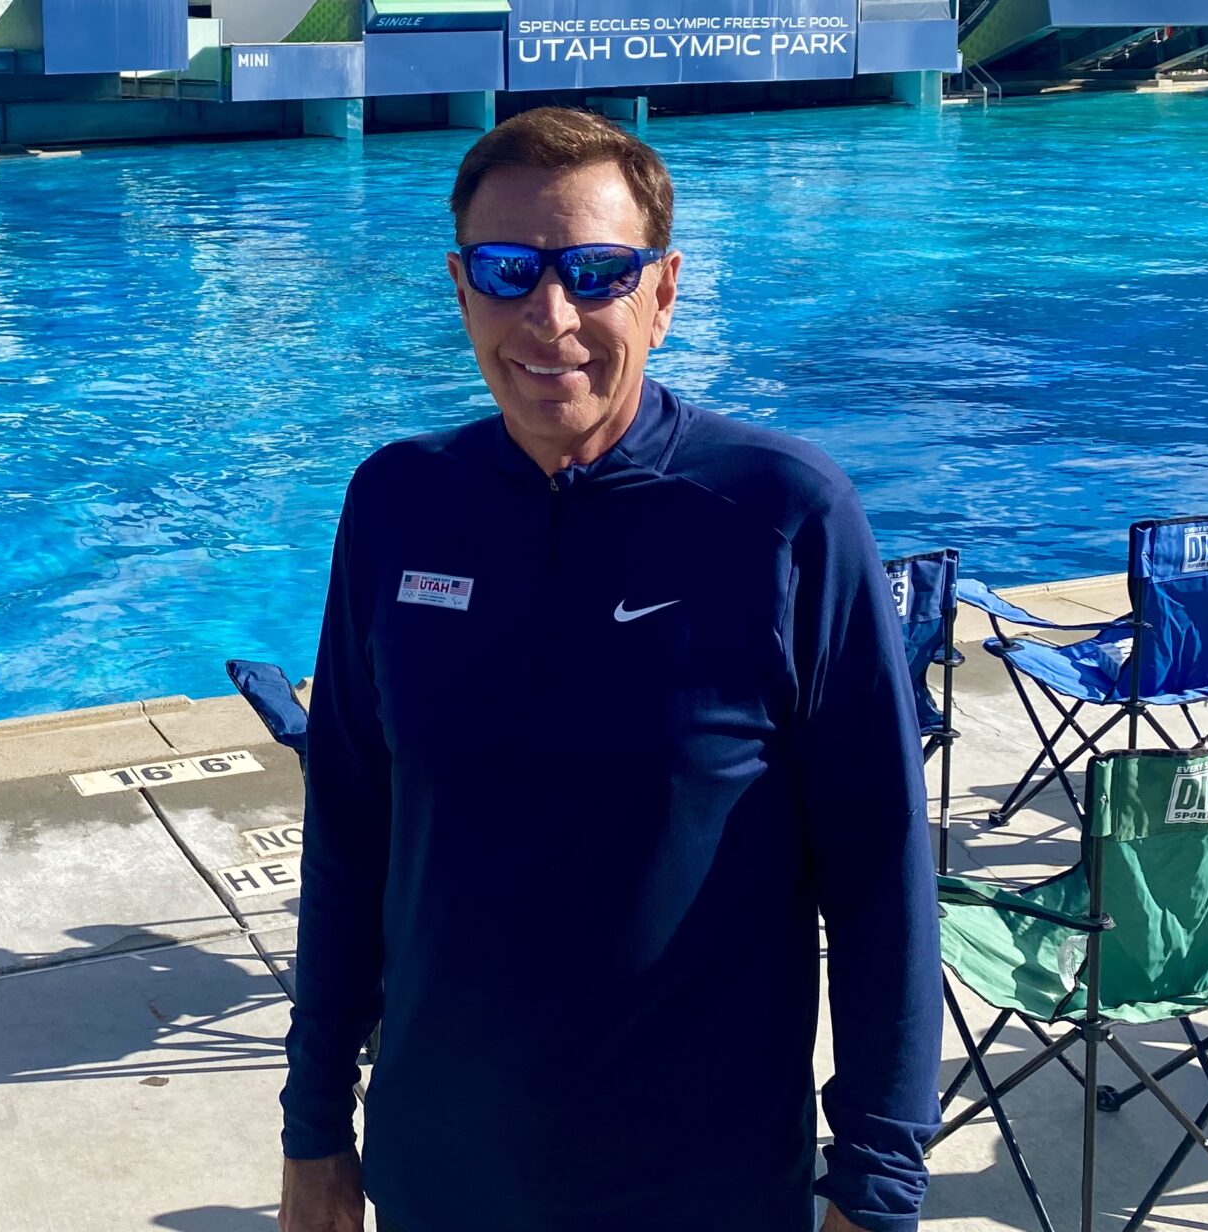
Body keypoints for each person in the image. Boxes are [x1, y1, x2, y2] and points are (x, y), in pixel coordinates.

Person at [281, 108, 938, 1232]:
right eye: (506, 272)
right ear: (459, 288)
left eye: (595, 272)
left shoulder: (781, 517)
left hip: (700, 1187)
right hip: (441, 1173)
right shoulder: (397, 504)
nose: (550, 317)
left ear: (663, 291)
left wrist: (873, 1189)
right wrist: (314, 1134)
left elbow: (881, 878)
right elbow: (350, 830)